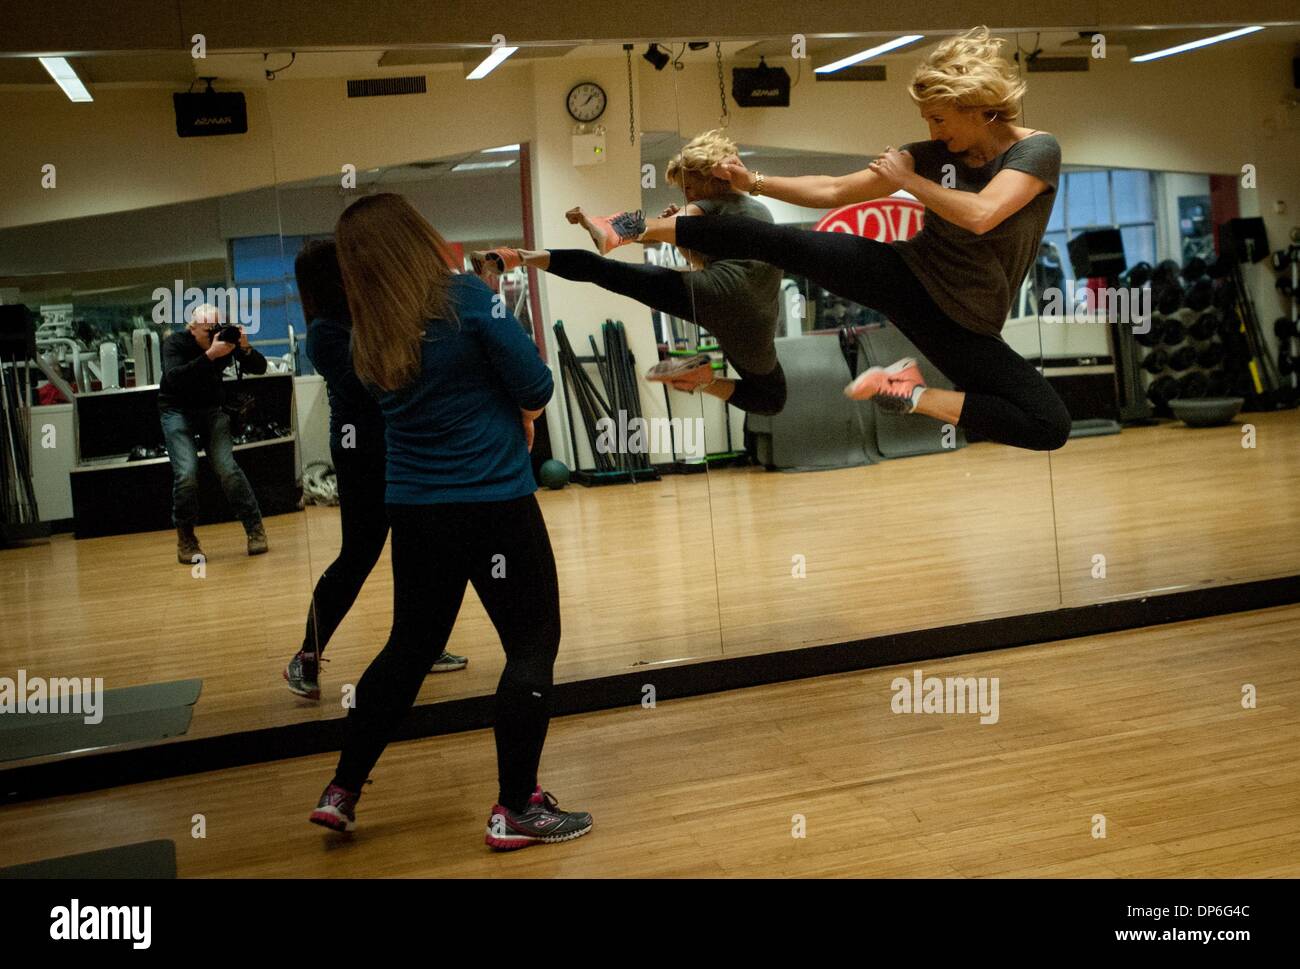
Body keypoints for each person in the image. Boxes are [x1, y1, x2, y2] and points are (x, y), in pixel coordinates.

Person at [560, 26, 1072, 453]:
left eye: (939, 118)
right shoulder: (932, 154)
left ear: (976, 105)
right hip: (907, 275)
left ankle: (909, 392)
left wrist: (910, 181)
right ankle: (623, 227)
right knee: (776, 241)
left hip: (967, 320)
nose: (933, 131)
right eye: (926, 121)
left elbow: (983, 215)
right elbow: (833, 189)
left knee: (1049, 426)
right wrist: (754, 182)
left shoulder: (1036, 151)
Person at [308, 193, 591, 851]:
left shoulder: (364, 329)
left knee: (409, 647)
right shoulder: (463, 296)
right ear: (418, 236)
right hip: (494, 504)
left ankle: (342, 789)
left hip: (415, 510)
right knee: (531, 644)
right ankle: (517, 805)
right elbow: (537, 386)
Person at [471, 129, 787, 417]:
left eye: (689, 188)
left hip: (716, 300)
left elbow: (683, 228)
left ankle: (522, 256)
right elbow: (705, 264)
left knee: (606, 271)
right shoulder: (760, 211)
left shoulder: (712, 203)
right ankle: (701, 380)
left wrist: (668, 226)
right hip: (748, 322)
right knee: (772, 399)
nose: (688, 197)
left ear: (713, 179)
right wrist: (683, 237)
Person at [285, 241, 467, 703]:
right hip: (361, 452)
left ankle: (420, 645)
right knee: (358, 557)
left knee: (418, 549)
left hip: (401, 445)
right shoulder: (325, 332)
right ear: (333, 277)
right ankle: (307, 654)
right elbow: (376, 378)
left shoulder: (366, 315)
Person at [157, 302, 270, 562]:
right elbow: (174, 378)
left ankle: (255, 529)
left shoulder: (223, 341)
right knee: (186, 473)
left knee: (227, 468)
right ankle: (186, 539)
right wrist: (211, 355)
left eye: (217, 328)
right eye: (208, 330)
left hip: (211, 409)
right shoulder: (175, 344)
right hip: (176, 410)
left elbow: (259, 367)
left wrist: (244, 347)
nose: (213, 335)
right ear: (192, 328)